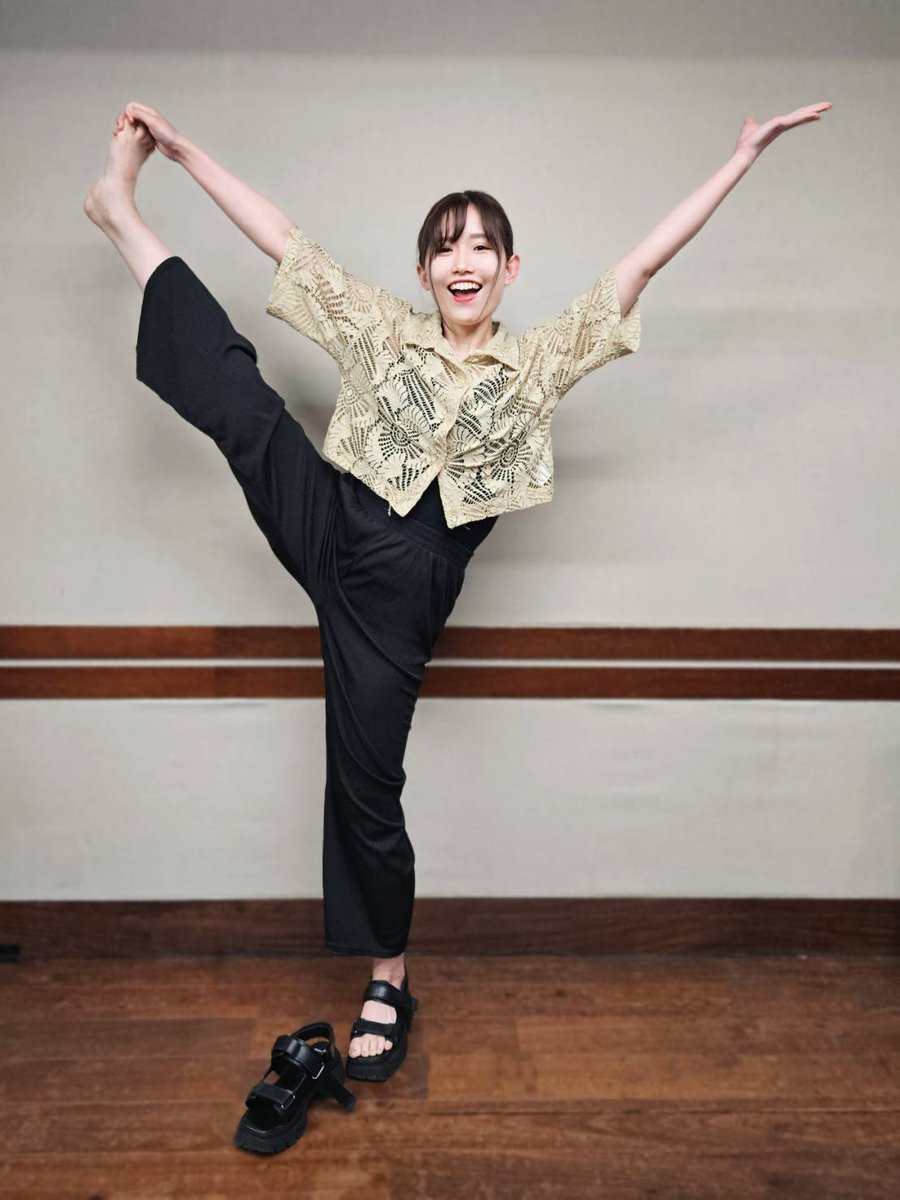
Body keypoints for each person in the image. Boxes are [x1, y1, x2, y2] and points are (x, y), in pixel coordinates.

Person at [83, 96, 831, 1083]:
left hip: (403, 593)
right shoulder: (384, 332)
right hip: (335, 518)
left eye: (482, 245)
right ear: (425, 270)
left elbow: (641, 266)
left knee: (368, 788)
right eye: (445, 246)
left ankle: (388, 976)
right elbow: (284, 243)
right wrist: (180, 152)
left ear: (509, 268)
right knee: (242, 402)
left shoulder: (536, 367)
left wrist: (741, 158)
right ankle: (122, 215)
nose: (463, 259)